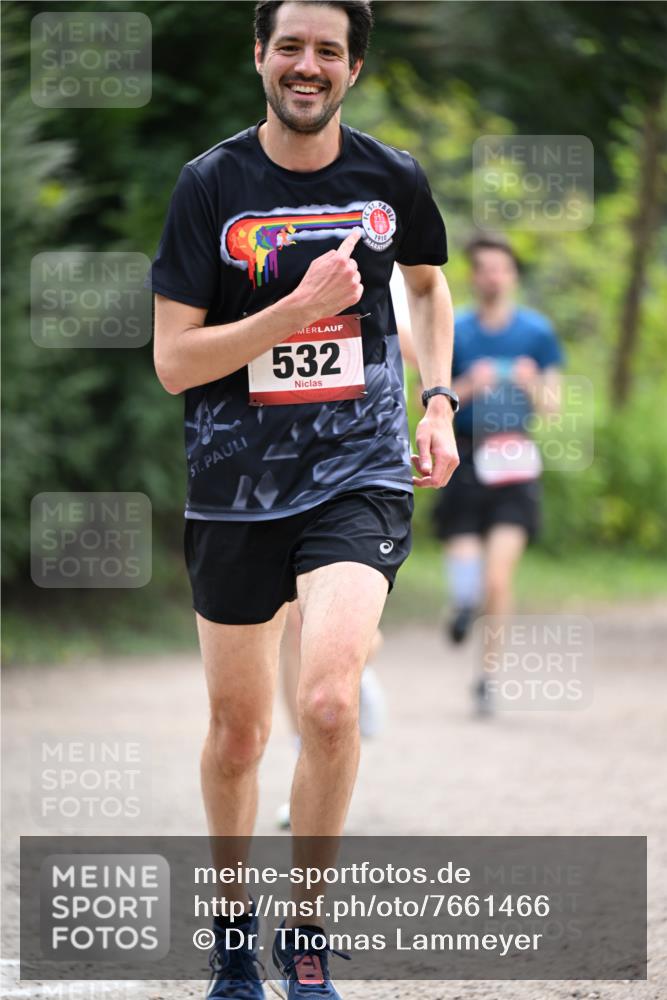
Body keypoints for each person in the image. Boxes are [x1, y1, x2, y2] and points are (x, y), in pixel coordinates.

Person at [150, 1, 458, 996]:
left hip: (355, 474)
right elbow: (173, 360)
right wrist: (291, 311)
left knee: (327, 700)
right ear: (259, 57)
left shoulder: (391, 176)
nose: (307, 65)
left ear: (354, 68)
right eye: (290, 46)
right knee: (240, 731)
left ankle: (307, 934)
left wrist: (438, 398)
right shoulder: (210, 186)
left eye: (328, 50)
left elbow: (423, 284)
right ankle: (234, 930)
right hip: (235, 487)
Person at [432, 234, 563, 715]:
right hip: (463, 458)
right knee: (468, 582)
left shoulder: (537, 334)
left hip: (514, 459)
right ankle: (462, 607)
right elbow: (435, 397)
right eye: (483, 268)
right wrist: (470, 384)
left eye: (500, 268)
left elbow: (553, 407)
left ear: (513, 275)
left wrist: (532, 386)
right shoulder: (454, 329)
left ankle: (487, 677)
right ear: (473, 274)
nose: (492, 276)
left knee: (498, 578)